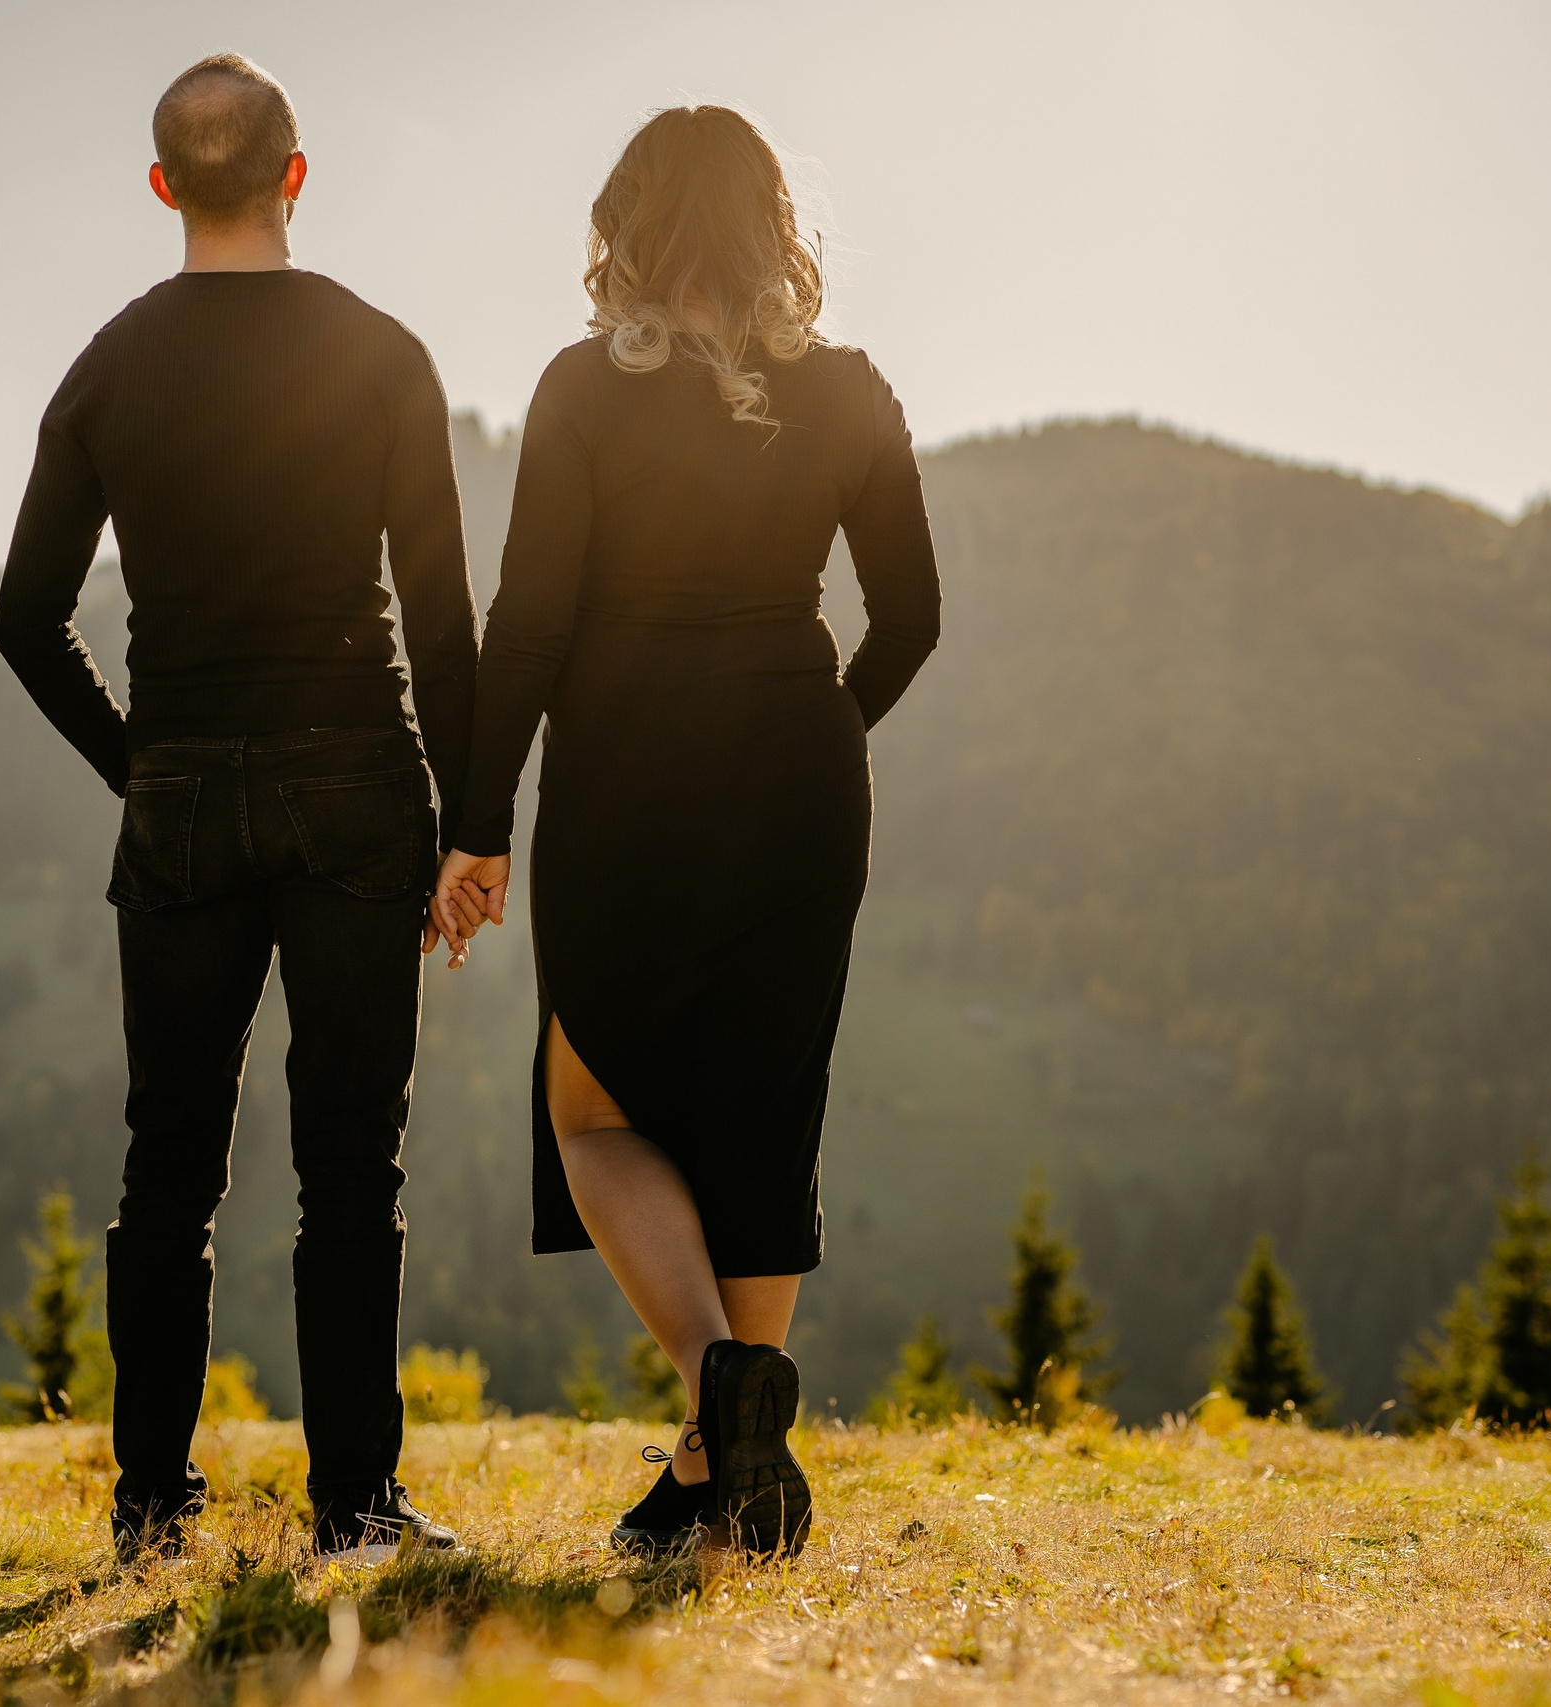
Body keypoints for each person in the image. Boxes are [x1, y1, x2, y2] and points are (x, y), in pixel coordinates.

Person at [432, 105, 941, 1557]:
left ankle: (720, 1421)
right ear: (773, 223)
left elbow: (527, 627)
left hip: (628, 780)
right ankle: (728, 1481)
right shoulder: (849, 391)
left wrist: (477, 825)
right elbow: (912, 620)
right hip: (798, 774)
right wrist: (824, 727)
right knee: (762, 1122)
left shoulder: (586, 388)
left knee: (596, 1114)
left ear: (631, 227)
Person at [0, 52, 478, 1566]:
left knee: (167, 1167)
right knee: (352, 1169)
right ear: (296, 174)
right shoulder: (383, 355)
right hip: (355, 785)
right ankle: (355, 1508)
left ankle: (150, 1506)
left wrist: (141, 764)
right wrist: (475, 830)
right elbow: (447, 615)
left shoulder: (109, 368)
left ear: (161, 189)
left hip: (184, 797)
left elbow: (27, 620)